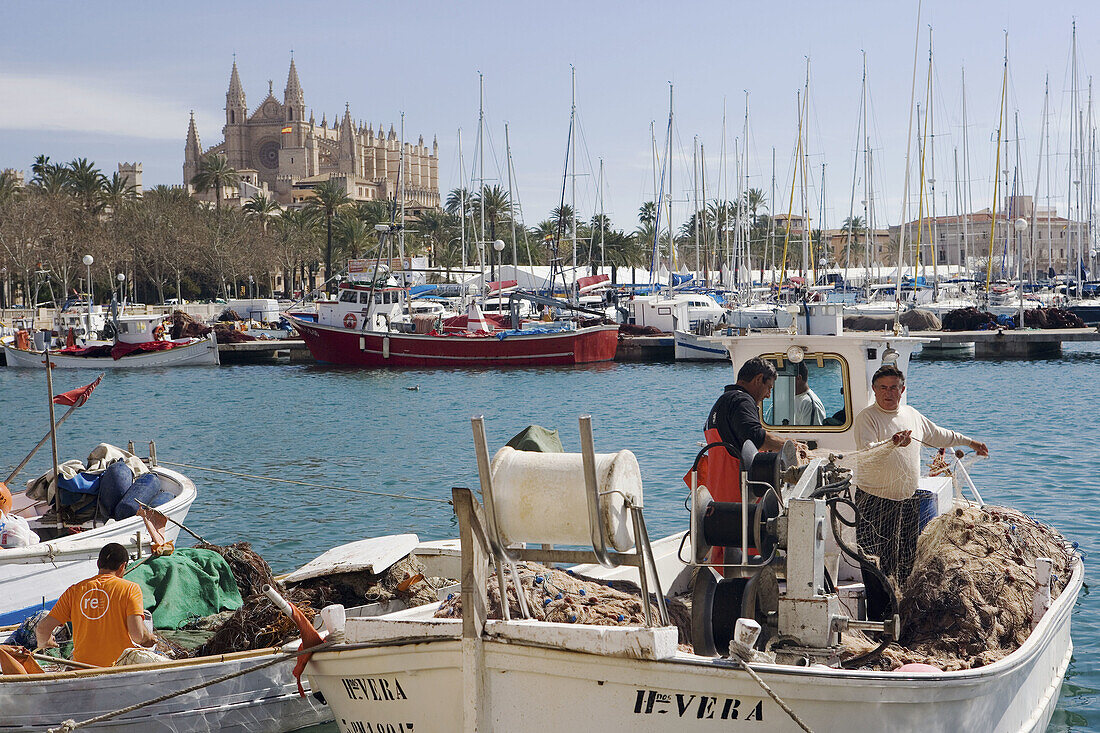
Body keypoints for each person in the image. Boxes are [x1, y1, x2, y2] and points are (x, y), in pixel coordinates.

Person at [853, 364, 988, 620]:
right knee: (874, 565)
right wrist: (892, 443)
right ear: (874, 390)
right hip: (873, 501)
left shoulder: (911, 414)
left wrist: (970, 442)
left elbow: (938, 435)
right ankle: (877, 623)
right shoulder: (867, 417)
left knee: (904, 565)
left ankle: (900, 618)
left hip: (906, 501)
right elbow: (868, 450)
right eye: (883, 387)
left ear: (902, 390)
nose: (888, 393)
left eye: (894, 387)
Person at [35, 543, 155, 667]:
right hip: (118, 668)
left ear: (98, 564)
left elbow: (42, 628)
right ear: (123, 566)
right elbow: (137, 635)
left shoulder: (75, 591)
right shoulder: (130, 589)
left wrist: (44, 642)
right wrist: (148, 639)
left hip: (83, 669)